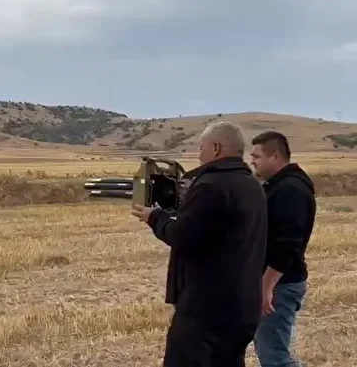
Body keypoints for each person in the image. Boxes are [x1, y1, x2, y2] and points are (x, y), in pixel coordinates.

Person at [131, 122, 268, 366]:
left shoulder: (211, 185)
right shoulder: (252, 185)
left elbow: (182, 236)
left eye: (201, 148)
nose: (199, 154)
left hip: (206, 311)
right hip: (243, 307)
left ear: (216, 148)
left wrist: (155, 218)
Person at [248, 131, 317, 367]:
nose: (252, 161)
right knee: (271, 352)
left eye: (256, 156)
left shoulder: (291, 190)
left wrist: (266, 286)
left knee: (274, 358)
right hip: (278, 283)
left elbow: (288, 245)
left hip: (281, 285)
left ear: (275, 156)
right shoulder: (281, 186)